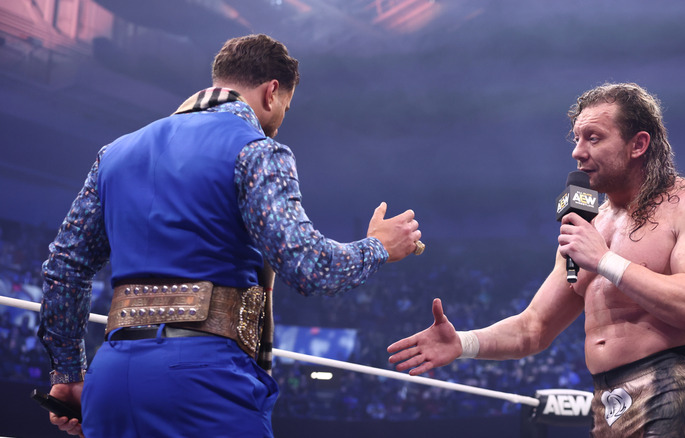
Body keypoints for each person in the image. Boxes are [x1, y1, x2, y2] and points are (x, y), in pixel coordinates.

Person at [39, 33, 423, 438]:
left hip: (111, 380)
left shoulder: (113, 154)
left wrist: (68, 374)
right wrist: (378, 246)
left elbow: (63, 268)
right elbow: (311, 269)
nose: (279, 120)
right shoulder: (256, 150)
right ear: (271, 92)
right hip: (204, 381)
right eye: (285, 107)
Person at [388, 82, 685, 437]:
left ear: (638, 144)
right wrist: (463, 343)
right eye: (577, 138)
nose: (577, 152)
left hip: (677, 386)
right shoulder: (588, 225)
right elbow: (533, 328)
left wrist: (605, 260)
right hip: (607, 401)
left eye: (593, 138)